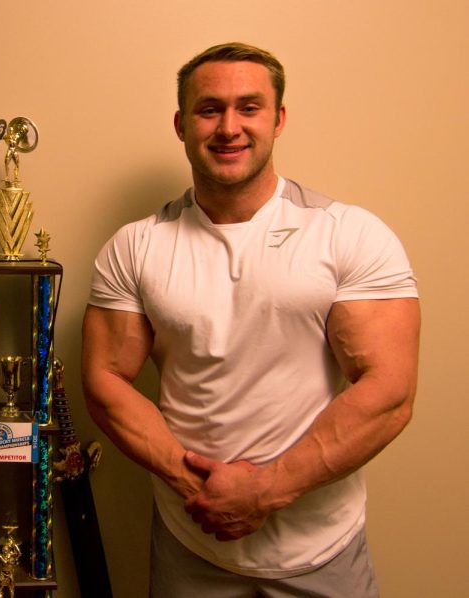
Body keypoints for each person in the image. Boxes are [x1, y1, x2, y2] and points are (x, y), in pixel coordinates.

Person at [82, 42, 419, 596]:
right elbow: (103, 381)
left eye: (249, 107)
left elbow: (390, 391)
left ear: (279, 119)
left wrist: (266, 490)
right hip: (190, 538)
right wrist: (192, 483)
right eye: (209, 109)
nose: (229, 127)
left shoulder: (349, 234)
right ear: (181, 123)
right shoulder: (136, 247)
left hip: (322, 545)